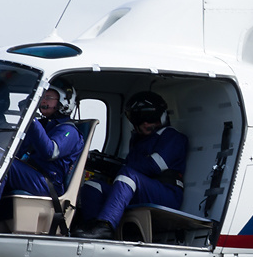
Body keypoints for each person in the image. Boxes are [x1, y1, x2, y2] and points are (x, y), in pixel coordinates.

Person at [74, 91, 188, 240]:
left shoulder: (173, 137)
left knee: (127, 175)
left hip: (166, 193)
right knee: (93, 186)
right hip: (139, 189)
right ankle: (92, 228)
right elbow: (131, 166)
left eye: (151, 118)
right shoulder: (138, 141)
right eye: (140, 119)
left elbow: (154, 165)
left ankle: (105, 227)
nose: (146, 123)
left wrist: (119, 168)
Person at [0, 82, 85, 229]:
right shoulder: (45, 125)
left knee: (2, 164)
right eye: (42, 96)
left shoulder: (69, 130)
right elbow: (18, 151)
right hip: (33, 176)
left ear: (64, 102)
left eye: (49, 97)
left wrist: (32, 119)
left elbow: (50, 152)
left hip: (48, 183)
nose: (43, 101)